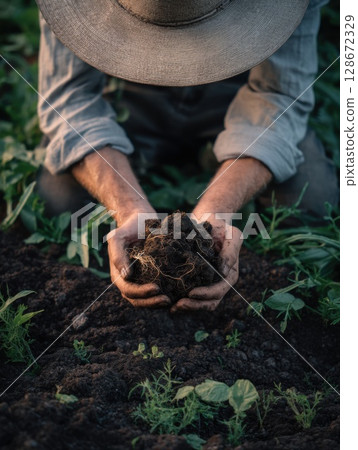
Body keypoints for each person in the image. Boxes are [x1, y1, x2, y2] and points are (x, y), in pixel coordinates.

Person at [35, 0, 338, 312]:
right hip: (135, 94)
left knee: (313, 201)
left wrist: (217, 209)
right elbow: (70, 101)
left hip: (238, 92)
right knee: (59, 200)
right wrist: (127, 207)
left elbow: (278, 96)